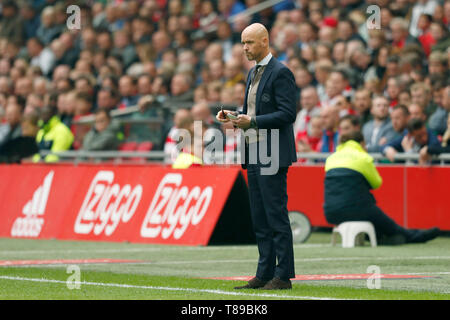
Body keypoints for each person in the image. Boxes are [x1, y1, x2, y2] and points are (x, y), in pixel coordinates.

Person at [217, 23, 297, 290]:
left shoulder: (281, 72)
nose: (244, 48)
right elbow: (251, 112)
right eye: (242, 43)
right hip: (254, 151)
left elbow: (288, 114)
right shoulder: (253, 73)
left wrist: (252, 121)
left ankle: (283, 275)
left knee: (275, 214)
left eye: (249, 42)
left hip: (272, 151)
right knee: (260, 216)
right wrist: (232, 117)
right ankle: (264, 273)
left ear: (265, 41)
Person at [324, 130, 440, 244]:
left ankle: (382, 239)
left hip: (331, 213)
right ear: (362, 144)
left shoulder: (331, 158)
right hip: (358, 209)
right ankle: (415, 236)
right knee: (390, 225)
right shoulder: (363, 158)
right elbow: (377, 183)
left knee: (375, 222)